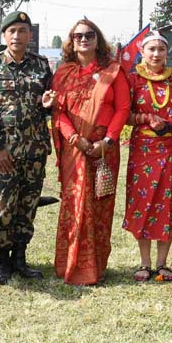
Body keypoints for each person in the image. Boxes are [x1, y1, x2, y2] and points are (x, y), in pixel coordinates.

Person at [0, 11, 56, 285]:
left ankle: (20, 258)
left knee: (28, 206)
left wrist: (49, 104)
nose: (17, 36)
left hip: (34, 151)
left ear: (30, 35)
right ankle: (1, 260)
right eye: (12, 31)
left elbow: (52, 105)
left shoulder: (42, 66)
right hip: (5, 153)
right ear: (4, 36)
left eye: (22, 31)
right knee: (4, 207)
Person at [51, 18, 130, 286]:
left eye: (89, 35)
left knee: (100, 206)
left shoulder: (113, 71)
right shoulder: (62, 74)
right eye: (78, 36)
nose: (83, 40)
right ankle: (70, 265)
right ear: (71, 42)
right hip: (74, 151)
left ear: (98, 40)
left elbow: (122, 109)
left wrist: (107, 141)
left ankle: (95, 268)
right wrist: (75, 139)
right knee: (74, 205)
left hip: (104, 151)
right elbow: (58, 113)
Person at [122, 30, 172, 282]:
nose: (156, 54)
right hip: (143, 150)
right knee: (142, 204)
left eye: (161, 49)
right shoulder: (132, 80)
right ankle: (144, 264)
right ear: (142, 53)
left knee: (167, 204)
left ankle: (163, 263)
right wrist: (145, 118)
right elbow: (125, 115)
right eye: (151, 49)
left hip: (171, 151)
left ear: (167, 53)